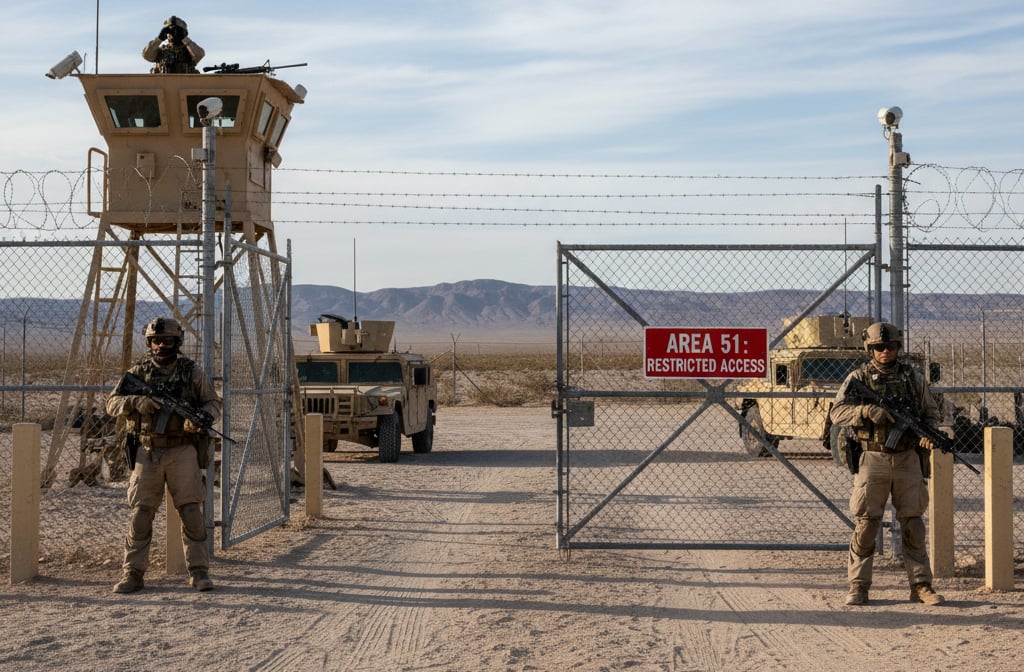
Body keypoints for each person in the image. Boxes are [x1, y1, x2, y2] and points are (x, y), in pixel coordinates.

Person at [830, 321, 945, 607]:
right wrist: (866, 411)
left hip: (907, 458)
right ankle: (858, 586)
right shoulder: (858, 377)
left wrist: (927, 436)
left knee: (913, 524)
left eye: (891, 346)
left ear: (898, 347)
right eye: (879, 347)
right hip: (873, 457)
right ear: (870, 348)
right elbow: (837, 413)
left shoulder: (913, 378)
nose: (885, 351)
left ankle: (920, 585)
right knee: (867, 524)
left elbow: (931, 412)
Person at [106, 317, 222, 593]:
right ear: (148, 343)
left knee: (192, 510)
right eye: (155, 341)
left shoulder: (191, 372)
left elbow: (213, 402)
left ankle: (199, 571)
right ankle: (133, 573)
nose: (160, 345)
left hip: (182, 449)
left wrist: (202, 418)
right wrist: (137, 401)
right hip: (148, 450)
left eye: (166, 341)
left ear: (177, 342)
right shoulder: (138, 372)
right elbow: (112, 403)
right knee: (141, 513)